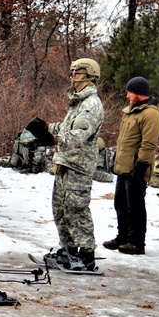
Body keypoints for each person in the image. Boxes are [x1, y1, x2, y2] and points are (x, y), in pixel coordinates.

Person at [34, 58, 106, 273]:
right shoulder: (78, 103)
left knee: (76, 210)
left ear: (90, 75)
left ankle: (86, 256)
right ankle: (69, 250)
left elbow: (79, 134)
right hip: (65, 163)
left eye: (78, 72)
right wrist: (47, 126)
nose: (73, 76)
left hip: (78, 165)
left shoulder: (92, 104)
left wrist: (55, 140)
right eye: (72, 72)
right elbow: (67, 126)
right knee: (61, 210)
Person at [104, 76, 159, 256]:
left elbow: (148, 144)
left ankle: (136, 242)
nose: (127, 95)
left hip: (136, 168)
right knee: (120, 204)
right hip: (123, 167)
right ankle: (122, 237)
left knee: (135, 206)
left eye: (130, 92)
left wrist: (141, 166)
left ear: (139, 93)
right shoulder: (130, 111)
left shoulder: (151, 114)